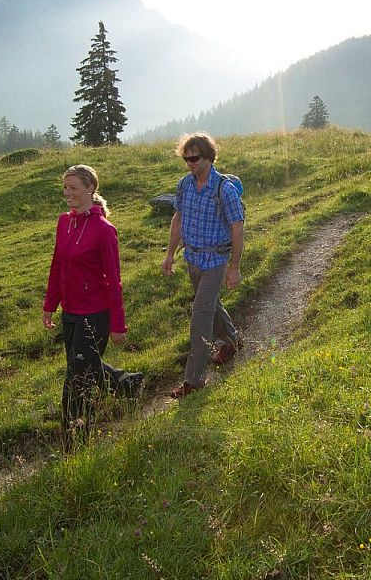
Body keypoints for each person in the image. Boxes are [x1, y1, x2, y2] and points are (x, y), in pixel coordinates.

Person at [43, 165, 142, 441]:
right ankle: (127, 384)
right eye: (65, 187)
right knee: (84, 366)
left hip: (95, 314)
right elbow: (57, 264)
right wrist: (50, 304)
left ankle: (74, 434)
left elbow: (114, 279)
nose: (67, 193)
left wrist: (117, 324)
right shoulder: (64, 222)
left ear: (90, 189)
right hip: (70, 313)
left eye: (73, 187)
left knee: (76, 377)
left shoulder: (103, 230)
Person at [161, 132, 244, 398]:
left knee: (200, 316)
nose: (190, 163)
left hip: (216, 260)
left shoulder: (224, 189)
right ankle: (231, 341)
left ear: (209, 156)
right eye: (186, 159)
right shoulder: (185, 185)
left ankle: (194, 380)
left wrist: (234, 267)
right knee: (209, 305)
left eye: (194, 158)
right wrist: (170, 253)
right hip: (193, 259)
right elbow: (178, 218)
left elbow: (237, 229)